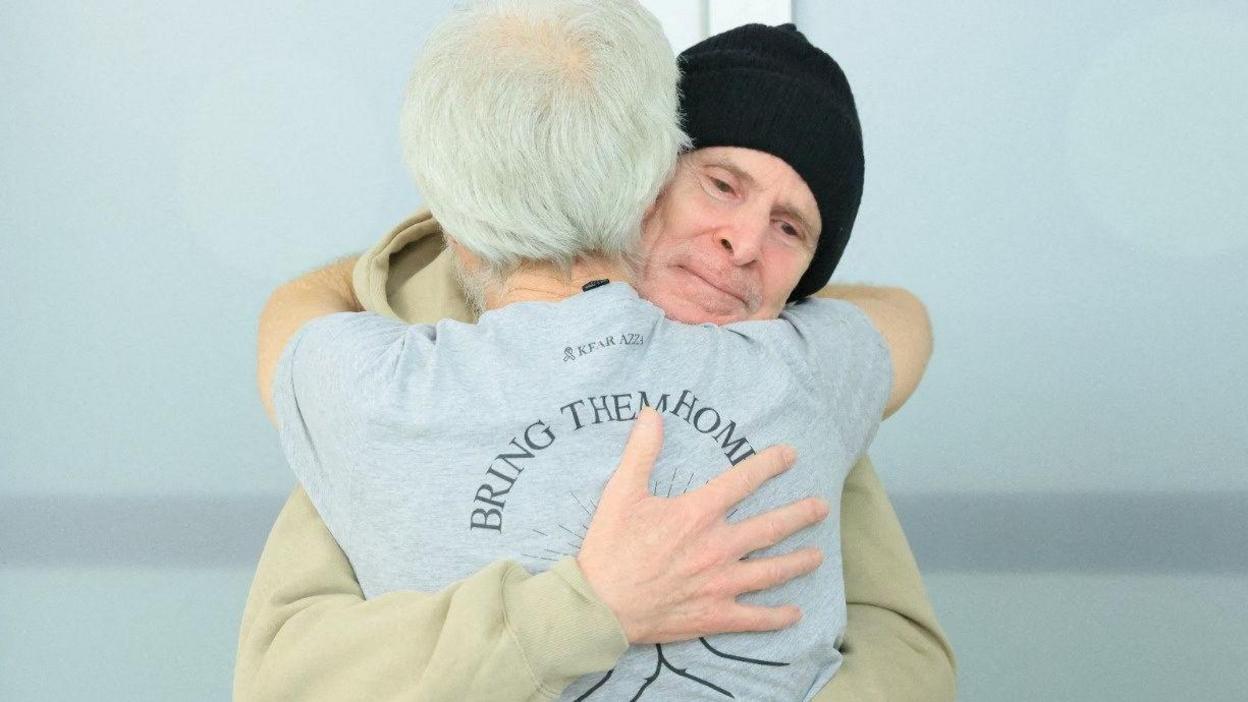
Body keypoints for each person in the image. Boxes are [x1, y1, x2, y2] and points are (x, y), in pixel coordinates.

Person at [236, 9, 955, 702]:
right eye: (721, 184)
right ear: (642, 176)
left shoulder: (793, 375)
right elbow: (290, 671)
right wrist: (584, 607)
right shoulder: (392, 359)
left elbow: (903, 656)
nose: (743, 242)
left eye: (791, 230)